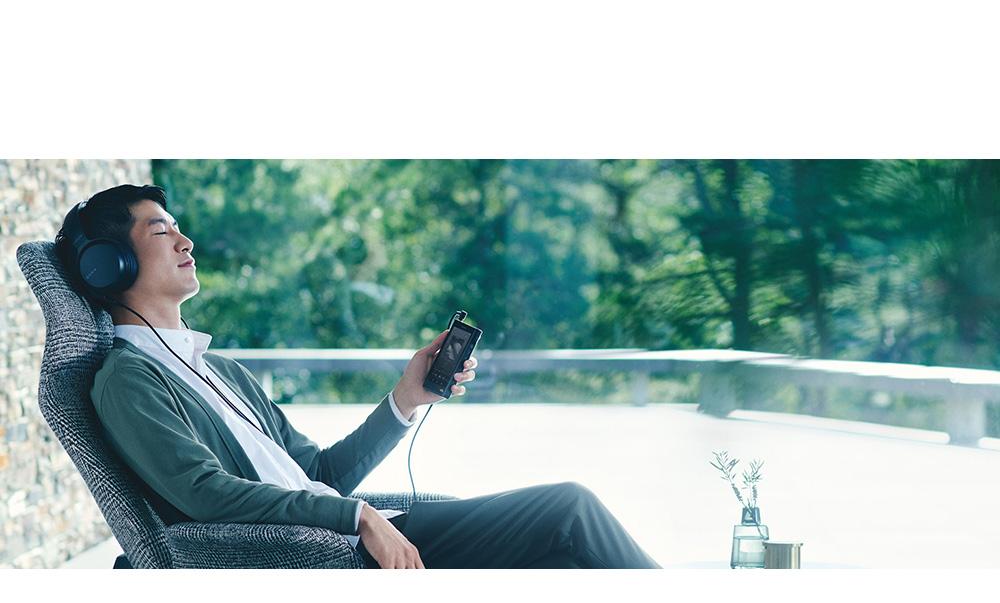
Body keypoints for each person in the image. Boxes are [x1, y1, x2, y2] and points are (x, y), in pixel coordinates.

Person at [55, 183, 661, 569]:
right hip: (327, 558)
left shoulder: (221, 372)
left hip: (358, 537)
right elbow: (204, 493)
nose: (186, 241)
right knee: (569, 511)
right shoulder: (128, 380)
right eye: (161, 231)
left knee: (560, 559)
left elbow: (320, 475)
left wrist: (406, 398)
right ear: (111, 266)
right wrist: (358, 517)